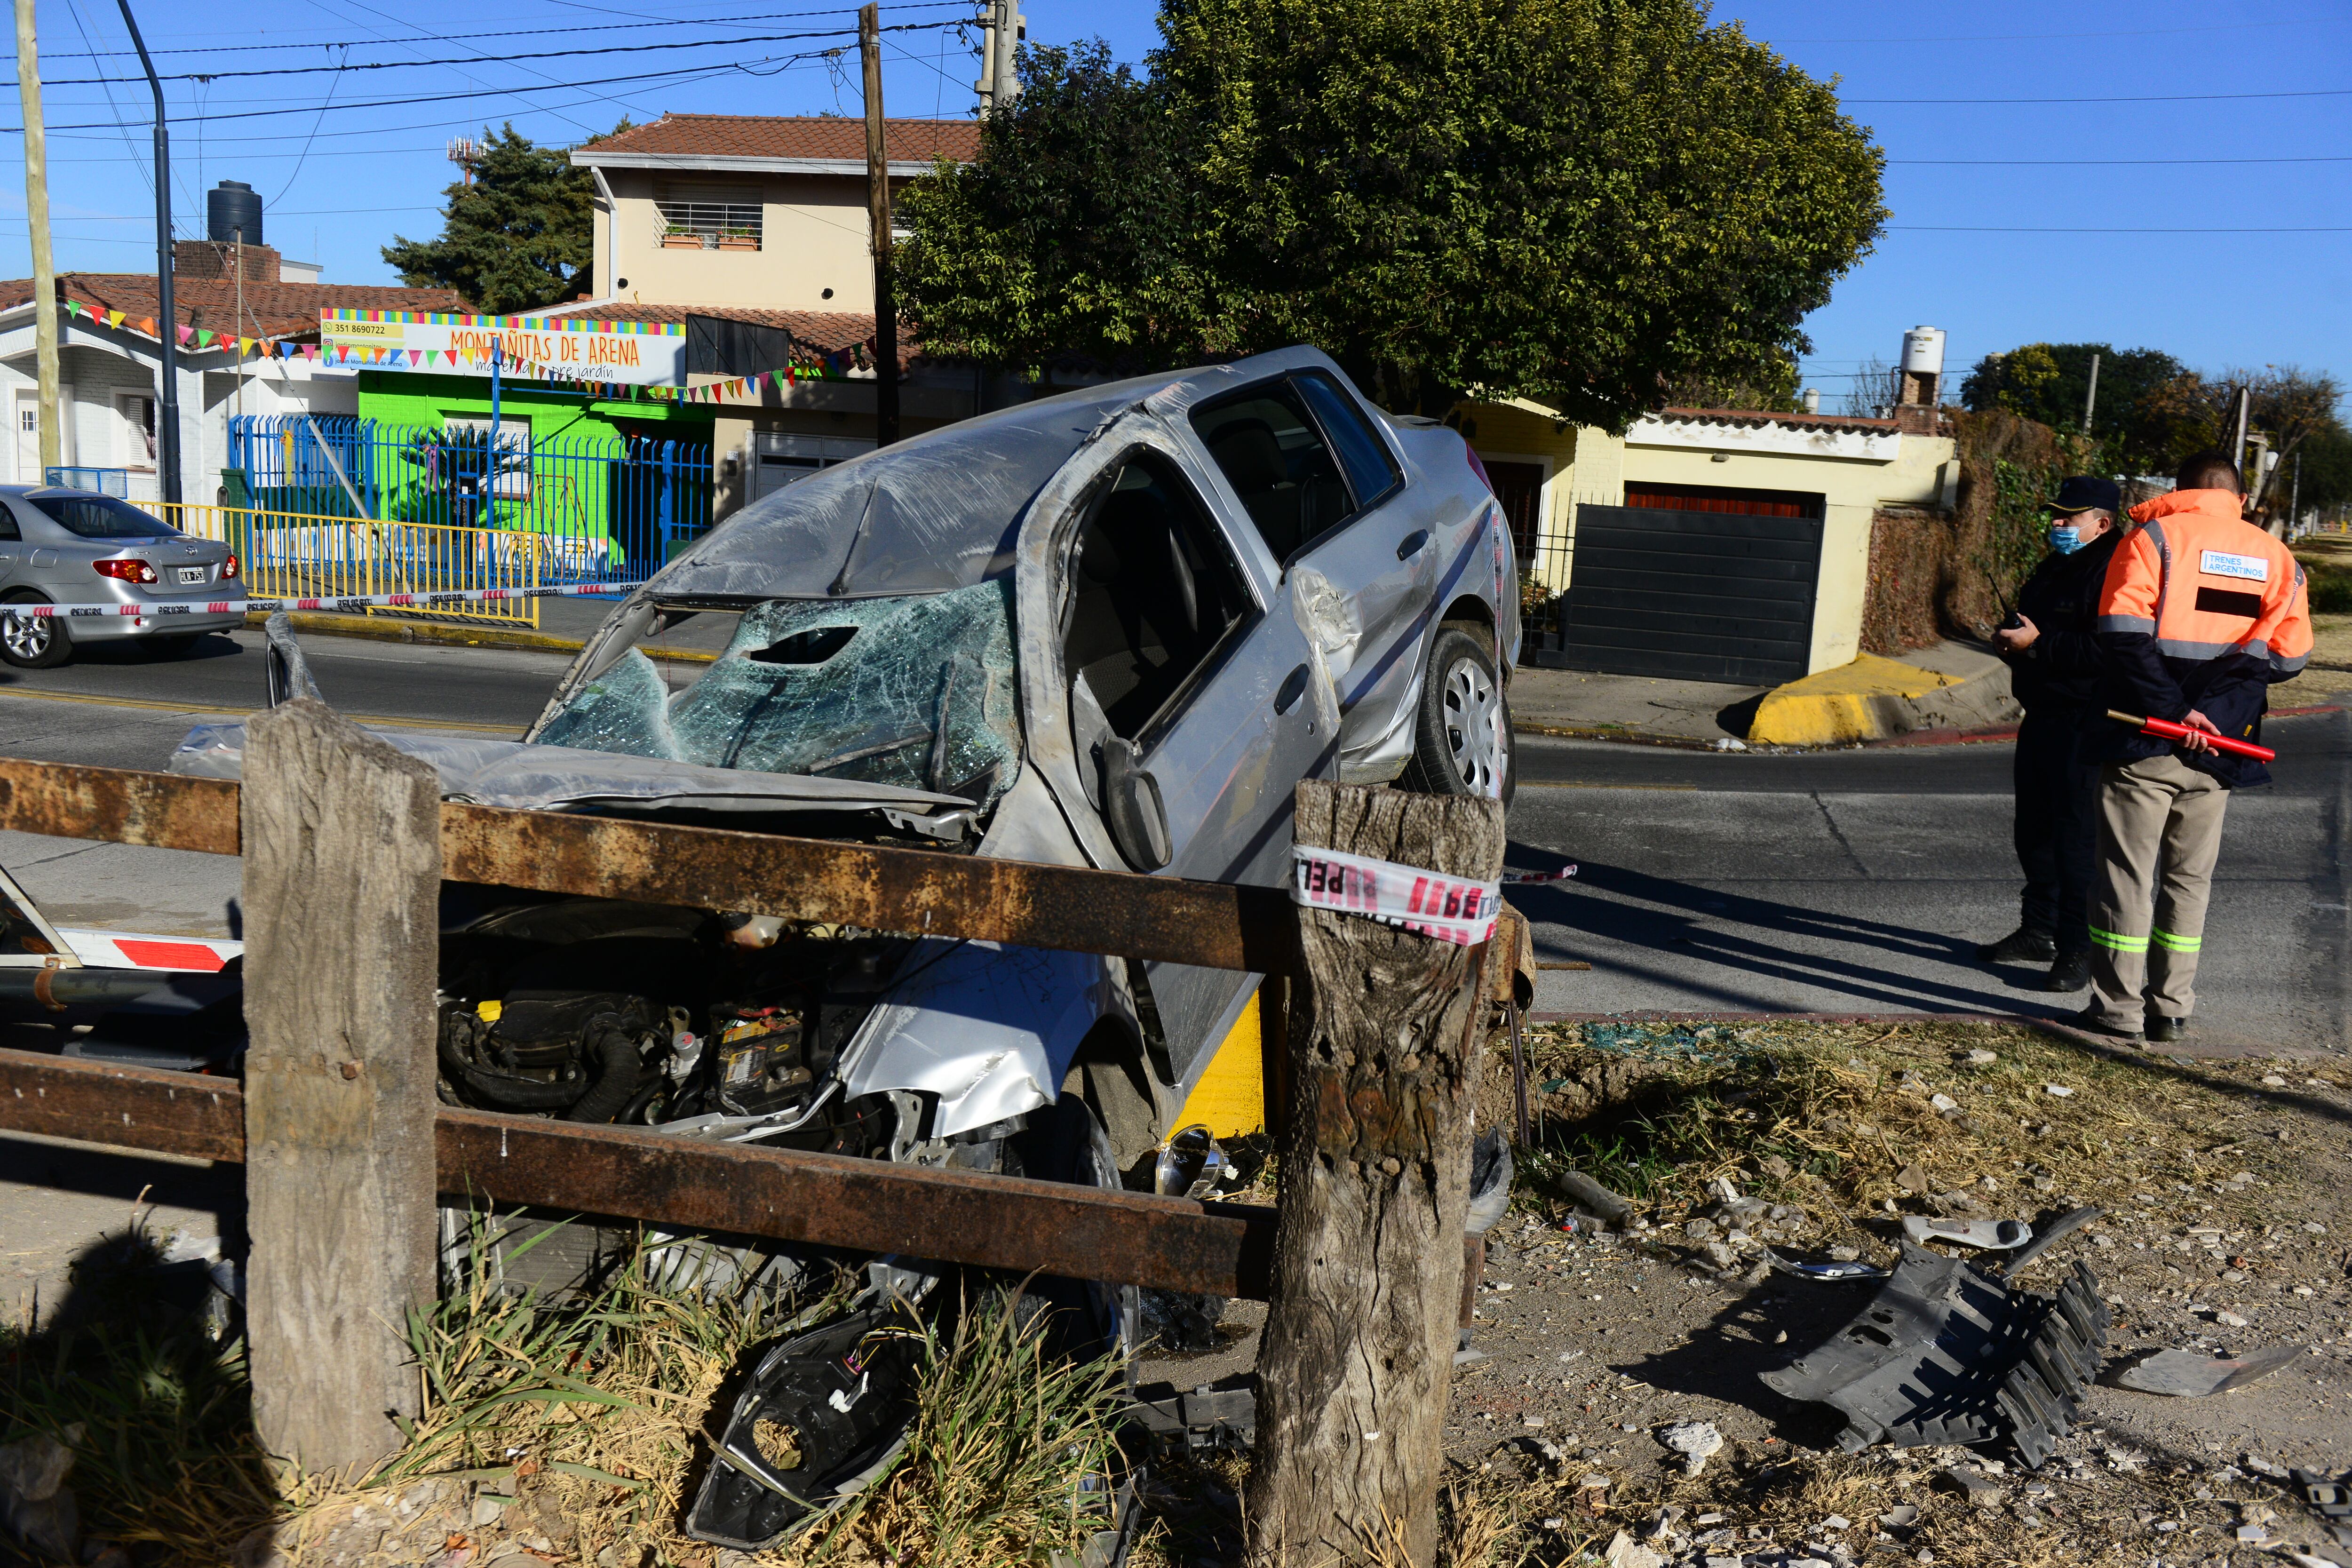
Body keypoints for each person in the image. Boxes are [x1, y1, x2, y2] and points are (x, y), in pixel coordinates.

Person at [2078, 451, 2312, 1043]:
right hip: (2222, 746)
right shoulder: (2278, 559)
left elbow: (2121, 638)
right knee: (2190, 881)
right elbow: (2289, 659)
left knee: (2126, 877)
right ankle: (2172, 1008)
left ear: (2180, 490)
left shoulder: (2151, 540)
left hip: (2144, 735)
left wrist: (2178, 709)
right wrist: (2218, 709)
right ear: (2236, 495)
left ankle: (2117, 1010)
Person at [1976, 476, 2125, 991]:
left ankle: (2076, 948)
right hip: (2041, 712)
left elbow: (2106, 652)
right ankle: (2036, 930)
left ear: (2101, 523)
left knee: (2074, 838)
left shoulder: (2114, 570)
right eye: (2055, 515)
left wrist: (2039, 645)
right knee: (2033, 831)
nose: (2056, 524)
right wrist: (2011, 639)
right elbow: (2034, 625)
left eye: (2069, 516)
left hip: (2083, 720)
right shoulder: (2054, 566)